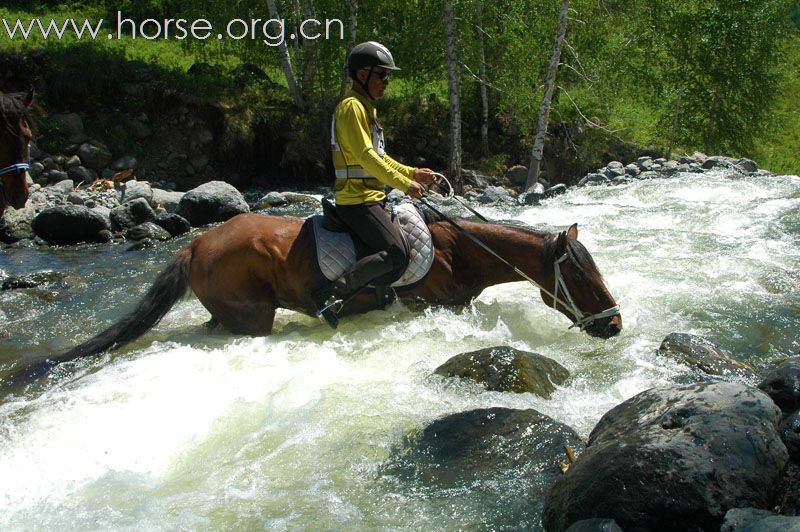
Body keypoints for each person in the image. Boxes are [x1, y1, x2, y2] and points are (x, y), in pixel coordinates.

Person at [314, 41, 435, 328]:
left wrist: (412, 172)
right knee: (396, 252)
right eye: (382, 75)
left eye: (387, 76)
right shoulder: (351, 107)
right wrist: (403, 184)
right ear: (362, 74)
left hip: (371, 197)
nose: (386, 82)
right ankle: (332, 293)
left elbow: (380, 157)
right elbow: (366, 157)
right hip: (356, 201)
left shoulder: (367, 109)